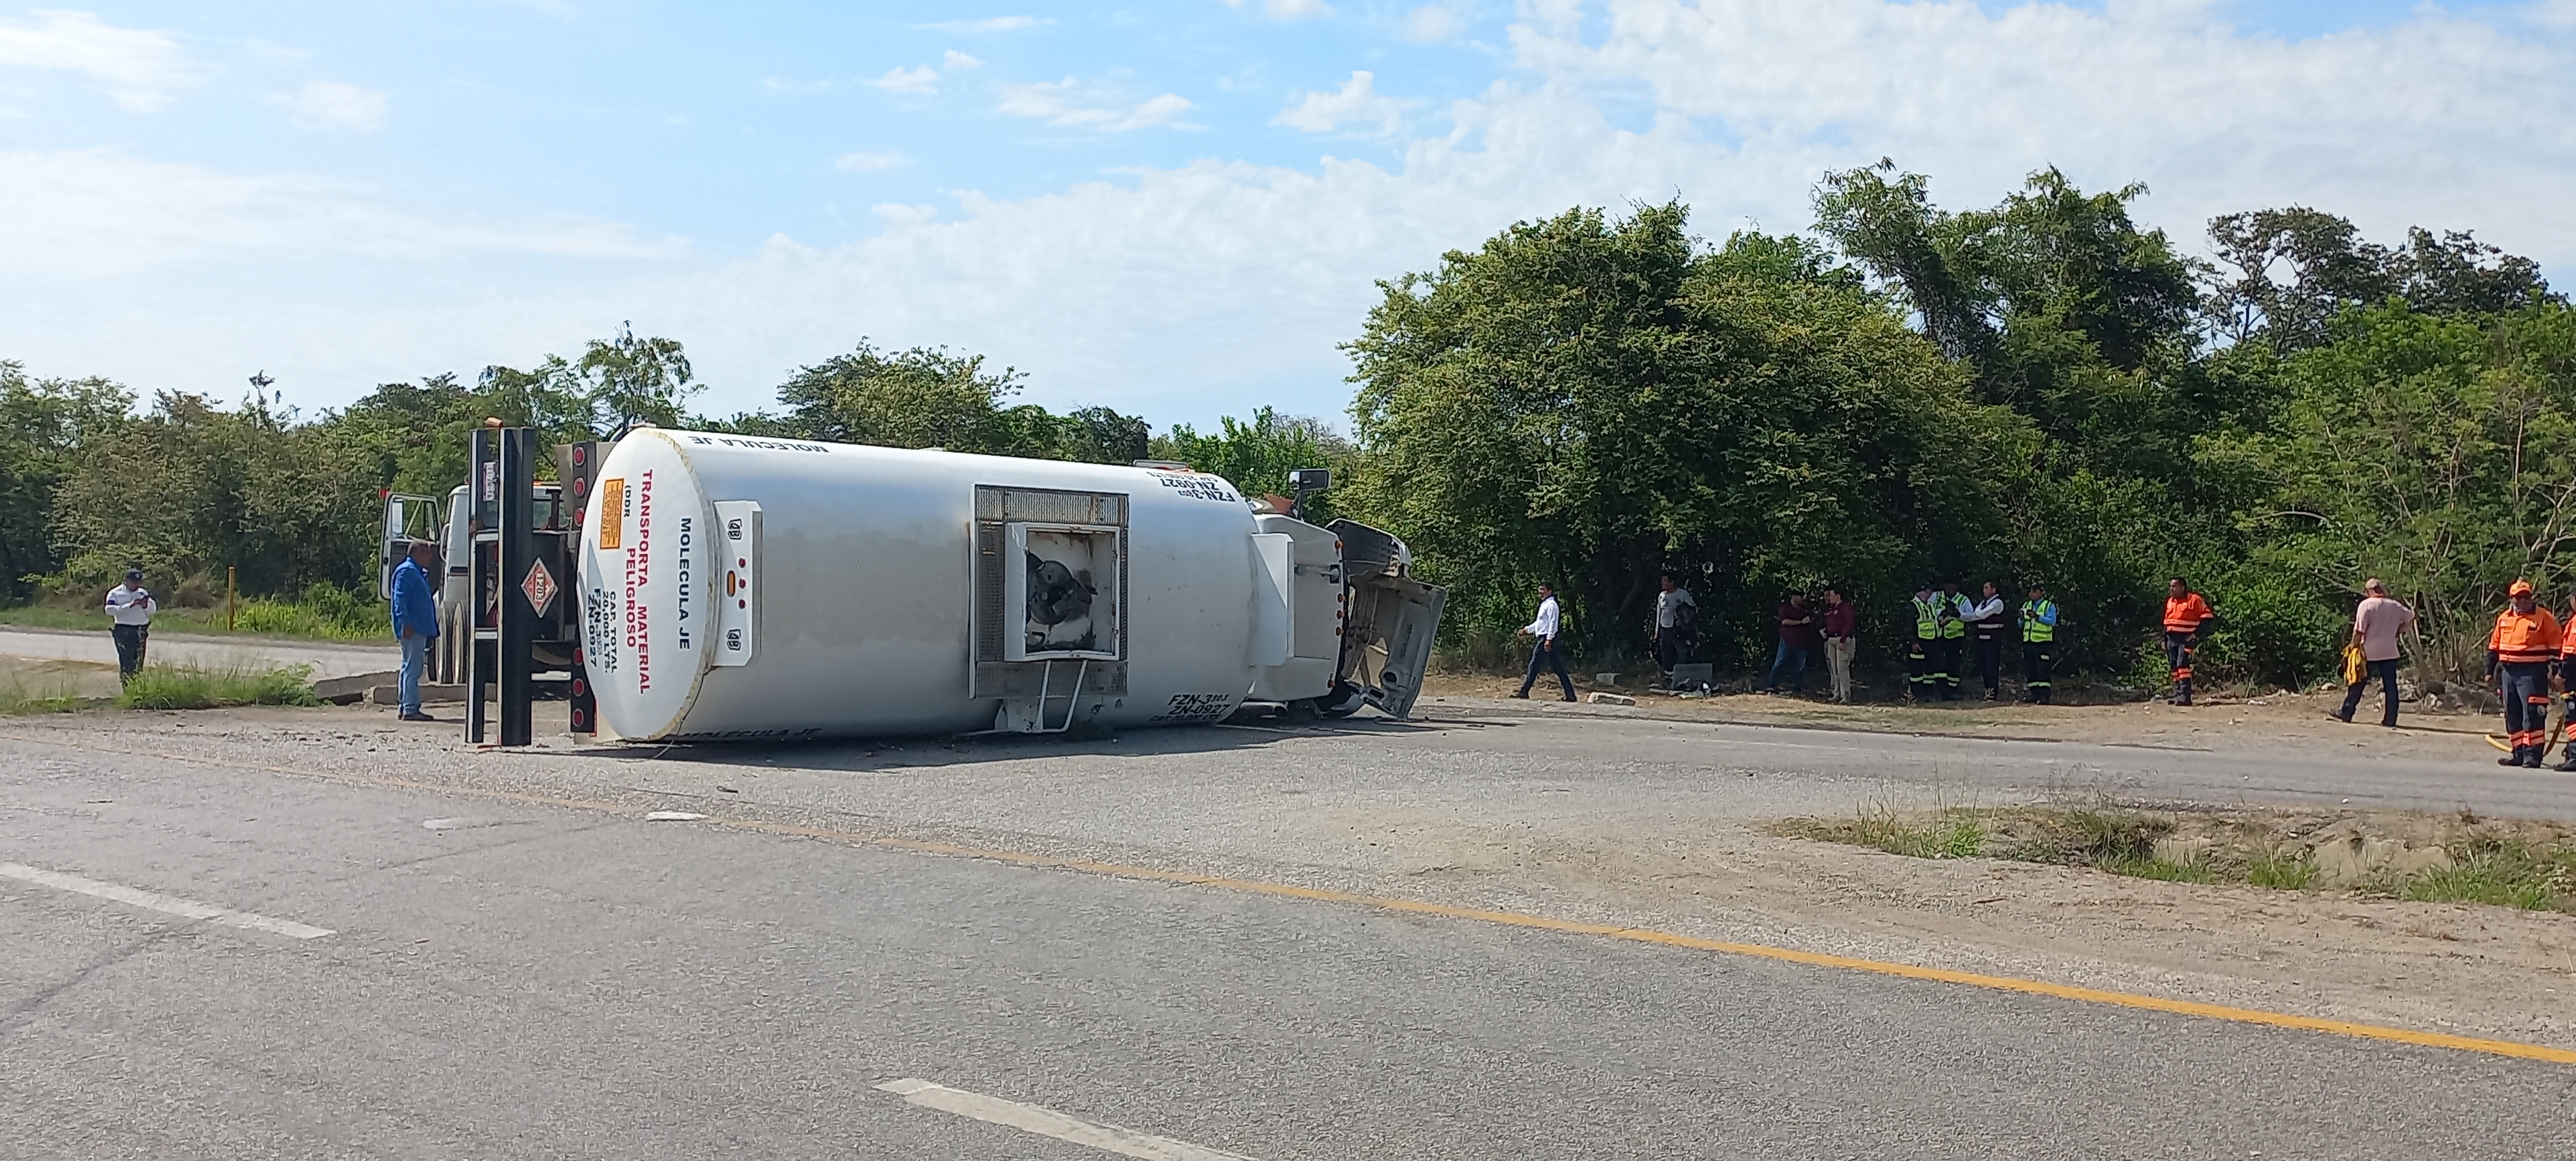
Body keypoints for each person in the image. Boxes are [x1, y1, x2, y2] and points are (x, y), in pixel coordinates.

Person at [2488, 579, 2559, 768]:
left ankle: (2532, 756)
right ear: (2512, 599)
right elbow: (2494, 647)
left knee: (2533, 714)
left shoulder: (2544, 617)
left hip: (2533, 673)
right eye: (2519, 598)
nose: (2523, 601)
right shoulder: (2504, 619)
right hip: (2509, 673)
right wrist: (2489, 671)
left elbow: (2556, 648)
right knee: (2512, 713)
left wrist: (2556, 673)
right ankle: (2518, 753)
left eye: (2526, 597)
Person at [2334, 578, 2414, 729]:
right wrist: (2399, 631)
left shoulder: (2366, 605)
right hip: (2390, 651)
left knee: (2358, 683)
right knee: (2391, 687)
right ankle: (2391, 719)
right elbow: (2411, 617)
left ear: (2368, 591)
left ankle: (2347, 712)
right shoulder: (2395, 606)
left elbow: (2359, 631)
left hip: (2368, 652)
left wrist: (2352, 647)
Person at [391, 540, 442, 722]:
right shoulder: (407, 572)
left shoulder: (416, 572)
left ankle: (405, 706)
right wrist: (406, 623)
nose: (430, 558)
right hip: (413, 628)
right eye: (427, 554)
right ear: (418, 554)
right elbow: (400, 600)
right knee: (413, 668)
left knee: (408, 667)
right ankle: (411, 708)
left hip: (417, 627)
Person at [1513, 582, 1576, 702]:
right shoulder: (1544, 605)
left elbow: (1553, 624)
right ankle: (1570, 695)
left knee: (1534, 664)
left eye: (1543, 590)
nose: (1540, 592)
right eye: (1540, 590)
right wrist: (1527, 630)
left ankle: (1524, 691)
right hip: (1545, 637)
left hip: (1547, 639)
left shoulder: (1552, 605)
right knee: (1559, 668)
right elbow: (1540, 623)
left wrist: (1549, 639)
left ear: (1550, 591)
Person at [2162, 577, 2218, 706]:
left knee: (2183, 666)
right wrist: (2164, 639)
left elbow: (2208, 618)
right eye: (2170, 586)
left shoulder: (2194, 600)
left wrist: (2195, 634)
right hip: (2172, 639)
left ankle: (2185, 697)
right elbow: (2167, 622)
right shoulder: (2171, 602)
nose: (2171, 589)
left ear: (2183, 588)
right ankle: (2178, 695)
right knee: (2174, 668)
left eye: (2174, 586)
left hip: (2185, 639)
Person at [103, 568, 155, 681]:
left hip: (141, 629)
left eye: (138, 582)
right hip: (124, 630)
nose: (136, 584)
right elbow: (109, 610)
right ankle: (127, 687)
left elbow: (152, 610)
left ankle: (137, 687)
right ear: (126, 580)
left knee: (139, 661)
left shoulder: (143, 593)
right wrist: (130, 605)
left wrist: (145, 605)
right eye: (133, 582)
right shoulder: (115, 593)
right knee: (127, 661)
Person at [1966, 580, 2009, 701]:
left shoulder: (1997, 603)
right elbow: (1975, 615)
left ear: (1994, 590)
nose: (1983, 590)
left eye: (1986, 588)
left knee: (1991, 666)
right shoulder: (1984, 603)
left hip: (1993, 640)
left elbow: (1982, 614)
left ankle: (1992, 693)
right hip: (1982, 639)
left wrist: (1977, 614)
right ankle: (1987, 691)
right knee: (1984, 666)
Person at [1766, 592, 1815, 695]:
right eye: (1800, 597)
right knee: (1779, 662)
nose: (1802, 599)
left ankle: (1797, 688)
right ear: (1794, 597)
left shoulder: (1805, 609)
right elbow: (1785, 621)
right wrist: (1801, 622)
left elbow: (1811, 619)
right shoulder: (1785, 608)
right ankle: (1772, 685)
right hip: (1787, 640)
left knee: (1800, 666)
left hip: (1802, 642)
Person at [1652, 574, 1696, 686]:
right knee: (1665, 653)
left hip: (1677, 629)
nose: (1663, 584)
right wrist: (1657, 631)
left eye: (1666, 581)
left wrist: (1684, 615)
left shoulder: (1682, 594)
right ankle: (1668, 677)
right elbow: (1659, 613)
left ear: (1672, 583)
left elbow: (1693, 609)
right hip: (1664, 629)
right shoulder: (1662, 596)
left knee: (1680, 652)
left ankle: (1682, 677)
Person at [2019, 583, 2059, 704]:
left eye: (2035, 591)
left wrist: (2037, 617)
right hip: (2028, 641)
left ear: (2042, 592)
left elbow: (2052, 621)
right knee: (2031, 668)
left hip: (2043, 643)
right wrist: (2021, 619)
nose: (2032, 593)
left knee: (2043, 669)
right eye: (2031, 591)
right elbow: (2021, 623)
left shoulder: (2048, 606)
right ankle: (2034, 694)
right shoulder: (2026, 605)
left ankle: (2045, 696)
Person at [1819, 587, 1857, 704]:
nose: (1829, 598)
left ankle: (1846, 695)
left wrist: (1843, 639)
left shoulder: (1846, 607)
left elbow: (1848, 623)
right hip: (1831, 639)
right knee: (1834, 668)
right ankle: (1837, 694)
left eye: (1831, 595)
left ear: (1838, 595)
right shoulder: (1832, 609)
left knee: (1842, 668)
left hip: (1842, 640)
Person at [1906, 584, 1943, 703]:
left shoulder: (1929, 606)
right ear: (1919, 592)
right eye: (1928, 591)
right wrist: (1914, 642)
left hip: (1932, 642)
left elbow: (1933, 623)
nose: (1930, 593)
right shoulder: (1913, 606)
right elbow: (1908, 626)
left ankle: (1928, 694)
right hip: (1919, 644)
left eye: (1931, 591)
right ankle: (1916, 695)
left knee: (1930, 671)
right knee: (1917, 672)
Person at [1934, 579, 1969, 701]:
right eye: (1949, 588)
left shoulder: (1963, 600)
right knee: (1940, 665)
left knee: (1954, 665)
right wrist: (1941, 614)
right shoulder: (1936, 596)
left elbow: (1971, 616)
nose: (1951, 591)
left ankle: (1953, 690)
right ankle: (1941, 690)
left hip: (1956, 639)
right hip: (1939, 637)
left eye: (1953, 588)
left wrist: (1957, 614)